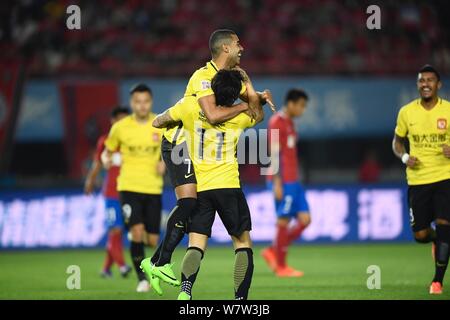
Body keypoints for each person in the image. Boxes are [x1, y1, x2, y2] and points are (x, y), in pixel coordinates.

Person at [139, 29, 273, 295]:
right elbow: (252, 113)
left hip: (202, 185)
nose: (241, 47)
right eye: (237, 43)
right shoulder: (234, 114)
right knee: (242, 243)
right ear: (224, 48)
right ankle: (240, 300)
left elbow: (159, 121)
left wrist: (177, 125)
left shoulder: (189, 108)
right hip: (228, 185)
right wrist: (250, 93)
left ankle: (185, 290)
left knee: (197, 241)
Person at [393, 65, 450, 295]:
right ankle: (436, 241)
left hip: (445, 176)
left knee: (445, 226)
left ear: (439, 85)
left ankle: (437, 281)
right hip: (418, 181)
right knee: (421, 235)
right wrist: (405, 156)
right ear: (418, 85)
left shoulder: (448, 110)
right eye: (421, 81)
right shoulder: (407, 112)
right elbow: (397, 142)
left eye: (430, 80)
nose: (425, 84)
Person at [102, 84, 165, 293]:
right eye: (137, 102)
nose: (142, 105)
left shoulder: (160, 123)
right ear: (132, 103)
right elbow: (107, 152)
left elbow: (172, 150)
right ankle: (142, 279)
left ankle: (135, 238)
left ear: (151, 102)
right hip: (128, 187)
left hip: (153, 188)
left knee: (152, 239)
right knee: (137, 231)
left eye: (145, 101)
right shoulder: (120, 128)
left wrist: (165, 162)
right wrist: (105, 160)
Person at [262, 89, 311, 277]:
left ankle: (274, 250)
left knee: (305, 220)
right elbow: (273, 154)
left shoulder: (290, 123)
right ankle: (281, 267)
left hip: (294, 181)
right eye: (301, 105)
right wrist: (276, 182)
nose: (302, 110)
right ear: (290, 103)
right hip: (282, 180)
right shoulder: (277, 122)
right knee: (283, 220)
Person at [84, 106, 132, 278]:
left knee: (119, 234)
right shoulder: (105, 141)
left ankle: (105, 269)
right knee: (115, 231)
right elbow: (97, 163)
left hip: (130, 192)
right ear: (113, 121)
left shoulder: (132, 142)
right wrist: (90, 180)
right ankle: (122, 266)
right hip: (112, 194)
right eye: (119, 119)